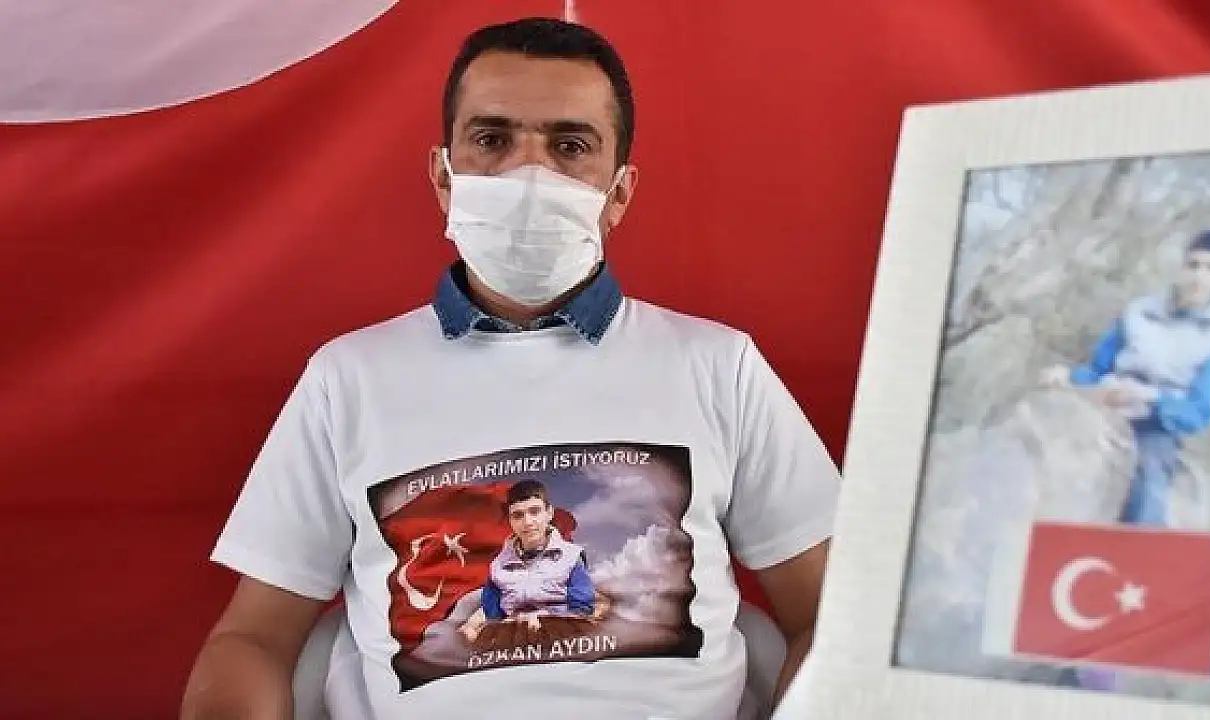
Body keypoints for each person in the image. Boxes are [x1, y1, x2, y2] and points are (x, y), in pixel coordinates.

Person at [181, 17, 841, 720]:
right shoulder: (346, 382)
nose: (528, 175)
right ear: (444, 177)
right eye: (492, 140)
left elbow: (836, 619)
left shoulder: (720, 368)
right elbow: (255, 638)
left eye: (569, 146)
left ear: (619, 193)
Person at [1039, 228, 1210, 691]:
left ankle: (1112, 645)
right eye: (1193, 264)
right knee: (1035, 428)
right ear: (1181, 265)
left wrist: (1147, 399)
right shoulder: (1138, 312)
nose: (1198, 276)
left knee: (1147, 491)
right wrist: (1069, 377)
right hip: (1104, 403)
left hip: (1156, 422)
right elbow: (1098, 367)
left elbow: (1199, 409)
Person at [459, 480, 597, 646]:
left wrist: (545, 620)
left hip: (560, 638)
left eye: (535, 511)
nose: (527, 522)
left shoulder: (571, 557)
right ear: (510, 520)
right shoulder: (497, 567)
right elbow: (492, 615)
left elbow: (581, 611)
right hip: (511, 640)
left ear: (549, 513)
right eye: (518, 515)